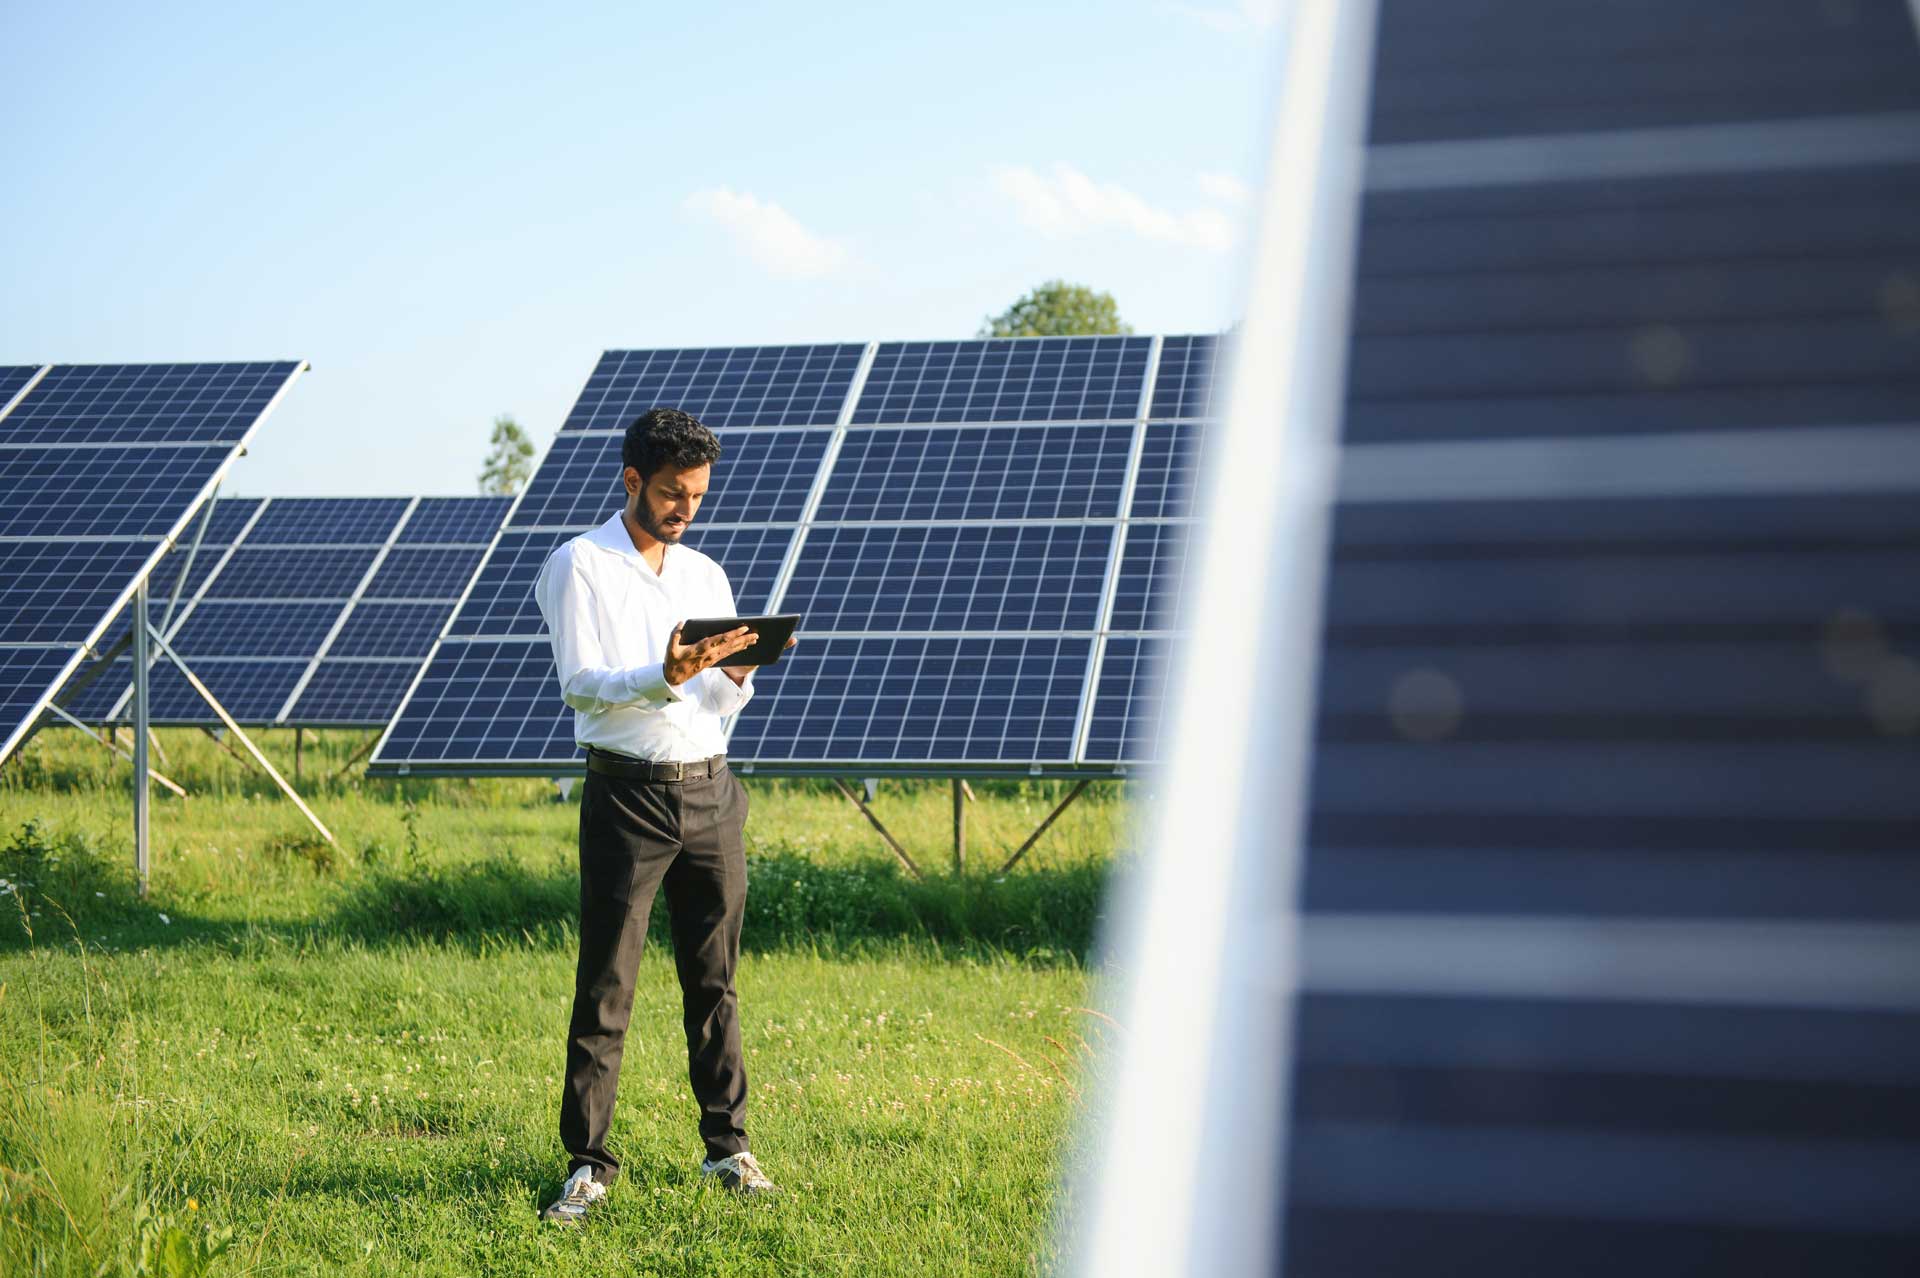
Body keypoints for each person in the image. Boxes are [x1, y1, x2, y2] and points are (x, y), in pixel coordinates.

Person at [532, 406, 794, 1224]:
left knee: (715, 983)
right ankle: (588, 1166)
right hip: (627, 796)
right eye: (673, 493)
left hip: (712, 792)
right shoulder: (580, 564)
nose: (686, 509)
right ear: (633, 480)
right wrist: (664, 672)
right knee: (607, 985)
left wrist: (741, 670)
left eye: (698, 495)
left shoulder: (705, 575)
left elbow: (714, 698)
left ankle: (729, 1150)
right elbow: (581, 684)